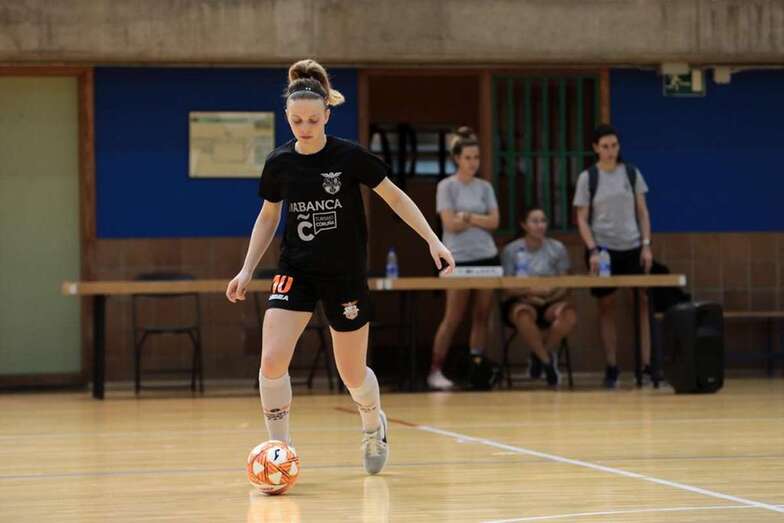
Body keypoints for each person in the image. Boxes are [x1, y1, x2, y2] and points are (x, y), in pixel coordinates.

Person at [226, 59, 455, 475]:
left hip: (344, 273)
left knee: (351, 373)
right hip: (295, 270)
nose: (305, 127)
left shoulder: (349, 157)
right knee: (271, 360)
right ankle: (280, 450)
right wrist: (246, 269)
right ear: (287, 116)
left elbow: (395, 196)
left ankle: (372, 425)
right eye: (297, 120)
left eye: (313, 120)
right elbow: (268, 216)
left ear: (327, 115)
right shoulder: (279, 163)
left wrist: (432, 240)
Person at [573, 124, 653, 388]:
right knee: (606, 305)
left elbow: (642, 212)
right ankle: (611, 365)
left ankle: (647, 365)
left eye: (614, 146)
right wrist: (592, 250)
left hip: (632, 245)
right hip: (603, 249)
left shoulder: (631, 173)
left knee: (642, 302)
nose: (610, 151)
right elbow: (582, 218)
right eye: (605, 146)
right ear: (596, 148)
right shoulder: (588, 177)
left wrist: (646, 245)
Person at [428, 127, 500, 390]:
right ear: (457, 158)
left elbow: (494, 221)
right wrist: (476, 219)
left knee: (482, 314)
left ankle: (475, 368)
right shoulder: (446, 186)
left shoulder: (485, 187)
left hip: (486, 256)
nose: (473, 162)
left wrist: (468, 217)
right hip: (458, 257)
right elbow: (450, 223)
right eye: (468, 157)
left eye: (476, 158)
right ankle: (435, 369)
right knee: (453, 316)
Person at [501, 207, 577, 386]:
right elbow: (506, 287)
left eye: (543, 221)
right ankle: (548, 364)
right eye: (535, 221)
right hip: (523, 299)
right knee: (523, 314)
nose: (540, 225)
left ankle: (540, 355)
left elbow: (566, 284)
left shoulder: (557, 248)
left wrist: (550, 294)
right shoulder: (512, 250)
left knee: (568, 315)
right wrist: (530, 292)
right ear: (524, 225)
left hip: (552, 300)